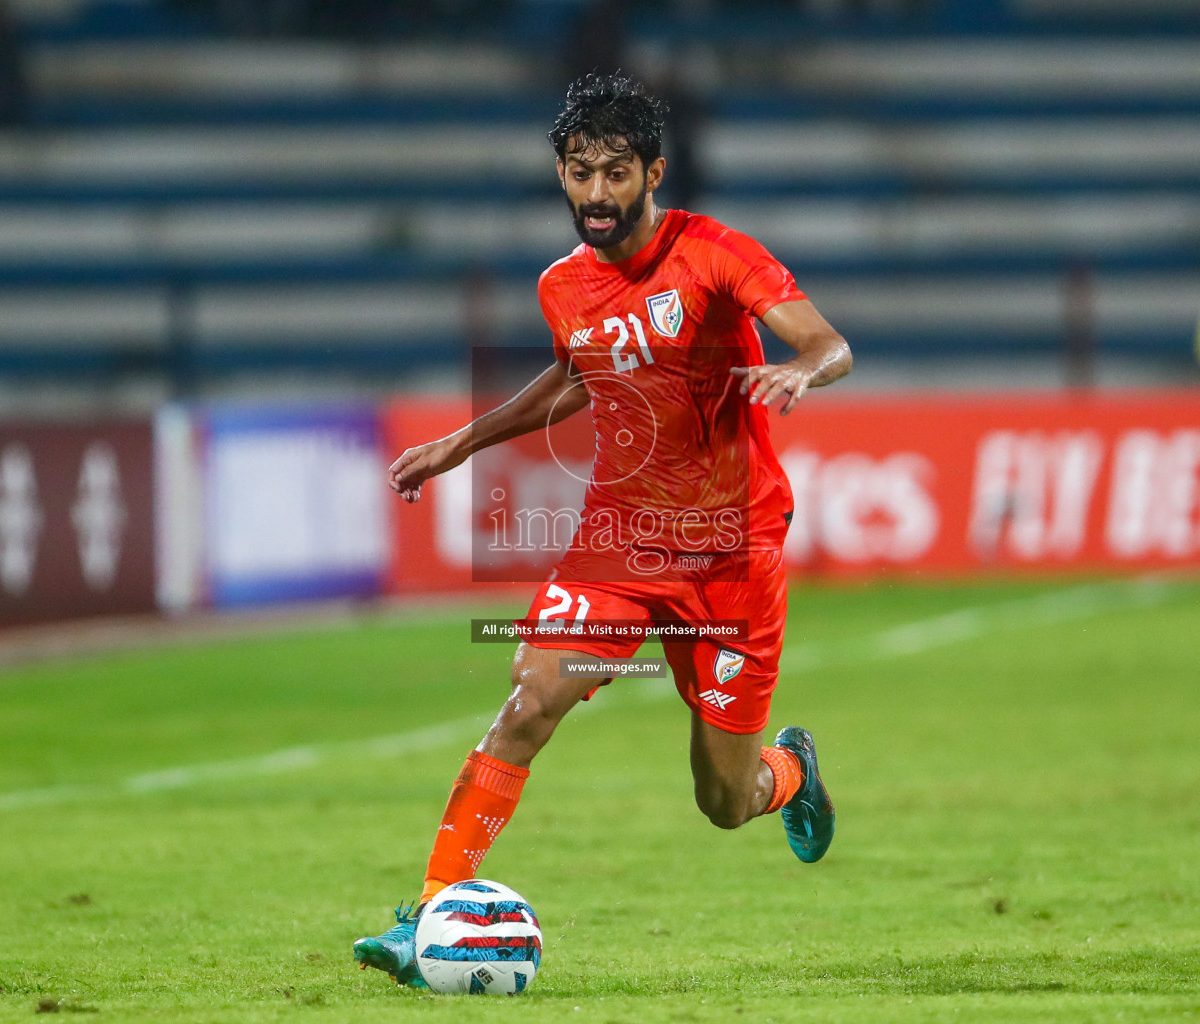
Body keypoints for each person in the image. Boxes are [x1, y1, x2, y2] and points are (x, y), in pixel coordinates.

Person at [352, 73, 853, 988]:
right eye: (578, 172)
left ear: (653, 171)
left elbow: (828, 343)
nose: (595, 193)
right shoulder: (563, 287)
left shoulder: (717, 255)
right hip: (618, 547)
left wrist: (799, 372)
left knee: (722, 800)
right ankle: (426, 910)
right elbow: (577, 375)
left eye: (616, 172)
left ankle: (788, 771)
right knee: (530, 698)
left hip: (730, 557)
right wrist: (458, 445)